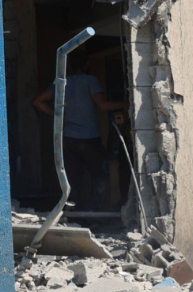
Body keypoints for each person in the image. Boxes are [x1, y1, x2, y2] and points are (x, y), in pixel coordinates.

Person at [31, 54, 129, 212]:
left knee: (72, 180)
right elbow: (102, 105)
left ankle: (74, 215)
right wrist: (128, 103)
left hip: (68, 140)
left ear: (69, 66)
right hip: (90, 140)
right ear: (87, 64)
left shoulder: (62, 83)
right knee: (100, 176)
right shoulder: (91, 81)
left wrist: (57, 114)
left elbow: (38, 101)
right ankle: (95, 213)